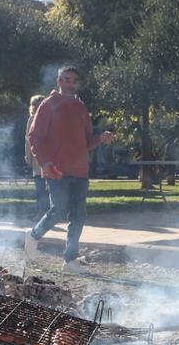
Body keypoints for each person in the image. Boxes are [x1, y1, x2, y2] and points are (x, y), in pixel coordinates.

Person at [24, 66, 115, 272]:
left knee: (79, 215)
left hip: (81, 171)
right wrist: (45, 162)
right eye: (66, 79)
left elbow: (86, 143)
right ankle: (33, 235)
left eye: (74, 80)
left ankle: (70, 260)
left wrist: (100, 138)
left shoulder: (82, 108)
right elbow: (34, 137)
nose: (70, 83)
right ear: (58, 81)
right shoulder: (48, 105)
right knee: (58, 211)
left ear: (77, 83)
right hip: (56, 170)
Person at [24, 94, 49, 221]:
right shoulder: (35, 119)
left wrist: (28, 157)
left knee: (42, 189)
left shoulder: (35, 119)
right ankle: (43, 212)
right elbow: (29, 141)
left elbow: (28, 141)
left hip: (42, 159)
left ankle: (43, 213)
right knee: (43, 188)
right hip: (41, 159)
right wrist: (28, 157)